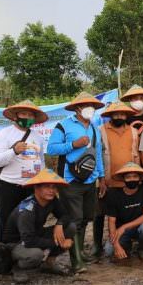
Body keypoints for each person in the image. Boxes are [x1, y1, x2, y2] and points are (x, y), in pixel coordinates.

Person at [47, 91, 105, 273]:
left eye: (93, 106)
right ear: (77, 108)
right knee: (74, 220)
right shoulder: (63, 126)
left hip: (91, 180)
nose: (90, 109)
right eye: (86, 106)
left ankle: (79, 251)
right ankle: (76, 261)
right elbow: (51, 149)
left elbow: (98, 155)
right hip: (70, 180)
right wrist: (73, 145)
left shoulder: (95, 128)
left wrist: (101, 177)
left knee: (87, 217)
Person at [1, 169, 75, 284]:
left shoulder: (52, 200)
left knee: (70, 227)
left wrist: (59, 224)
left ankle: (48, 264)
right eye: (47, 187)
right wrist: (60, 243)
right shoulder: (27, 210)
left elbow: (65, 215)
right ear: (36, 188)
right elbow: (29, 240)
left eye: (54, 187)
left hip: (35, 234)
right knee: (36, 254)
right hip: (16, 243)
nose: (51, 191)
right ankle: (17, 267)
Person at [0, 100, 47, 242]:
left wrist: (43, 183)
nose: (27, 117)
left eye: (30, 115)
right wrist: (13, 151)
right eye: (23, 114)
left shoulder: (37, 137)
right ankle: (3, 260)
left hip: (31, 188)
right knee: (6, 224)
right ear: (15, 116)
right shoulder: (5, 134)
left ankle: (24, 258)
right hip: (9, 187)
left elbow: (41, 161)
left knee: (29, 223)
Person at [93, 102, 140, 258]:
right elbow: (97, 155)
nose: (119, 116)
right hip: (107, 180)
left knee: (126, 211)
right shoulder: (100, 131)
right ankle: (96, 244)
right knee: (99, 213)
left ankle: (124, 241)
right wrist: (101, 179)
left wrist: (138, 176)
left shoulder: (133, 131)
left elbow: (136, 155)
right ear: (110, 115)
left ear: (126, 115)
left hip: (128, 180)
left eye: (122, 114)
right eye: (116, 113)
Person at [104, 162, 143, 262]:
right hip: (121, 231)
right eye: (128, 177)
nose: (132, 179)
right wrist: (116, 245)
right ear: (123, 179)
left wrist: (124, 227)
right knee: (108, 251)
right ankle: (126, 246)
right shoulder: (113, 194)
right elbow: (111, 221)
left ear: (139, 179)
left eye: (135, 176)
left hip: (139, 226)